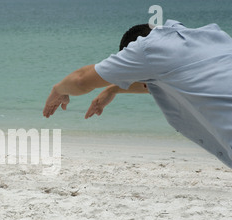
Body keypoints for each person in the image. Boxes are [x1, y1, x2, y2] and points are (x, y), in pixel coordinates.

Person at [43, 20, 232, 168]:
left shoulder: (147, 48)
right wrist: (114, 88)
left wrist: (58, 89)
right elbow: (164, 81)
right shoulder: (212, 37)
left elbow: (81, 80)